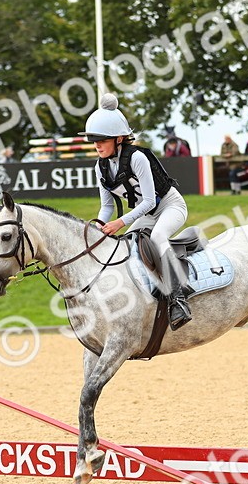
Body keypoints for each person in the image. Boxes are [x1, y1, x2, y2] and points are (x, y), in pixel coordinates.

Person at [80, 93, 194, 330]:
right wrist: (98, 228)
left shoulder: (137, 158)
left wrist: (119, 223)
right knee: (128, 247)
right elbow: (107, 206)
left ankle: (179, 300)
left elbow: (150, 201)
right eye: (94, 140)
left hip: (170, 206)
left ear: (119, 138)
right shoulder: (100, 166)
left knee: (158, 237)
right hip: (147, 214)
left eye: (102, 140)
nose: (97, 145)